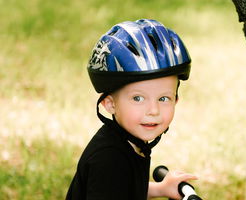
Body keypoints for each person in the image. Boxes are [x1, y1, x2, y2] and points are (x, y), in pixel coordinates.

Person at [66, 19, 198, 200]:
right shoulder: (109, 160)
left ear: (176, 100)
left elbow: (124, 190)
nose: (153, 110)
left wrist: (161, 190)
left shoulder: (129, 143)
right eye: (138, 98)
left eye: (163, 98)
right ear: (109, 103)